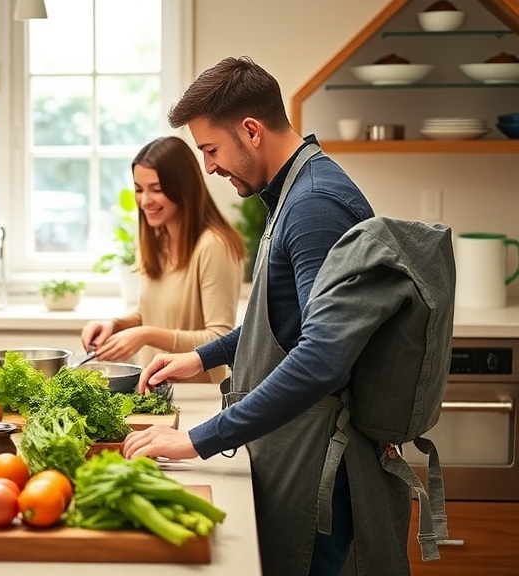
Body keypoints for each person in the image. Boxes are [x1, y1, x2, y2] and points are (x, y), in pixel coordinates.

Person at [122, 57, 410, 576]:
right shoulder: (292, 192)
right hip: (299, 446)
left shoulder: (315, 206)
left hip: (321, 460)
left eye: (210, 149)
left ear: (251, 131)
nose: (208, 167)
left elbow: (323, 358)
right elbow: (280, 322)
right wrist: (198, 358)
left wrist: (197, 439)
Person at [80, 136, 244, 383]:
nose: (145, 201)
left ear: (183, 188)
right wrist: (115, 325)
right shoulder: (156, 239)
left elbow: (220, 338)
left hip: (196, 396)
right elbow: (153, 311)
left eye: (156, 189)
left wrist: (146, 335)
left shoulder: (214, 246)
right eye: (138, 189)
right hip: (155, 391)